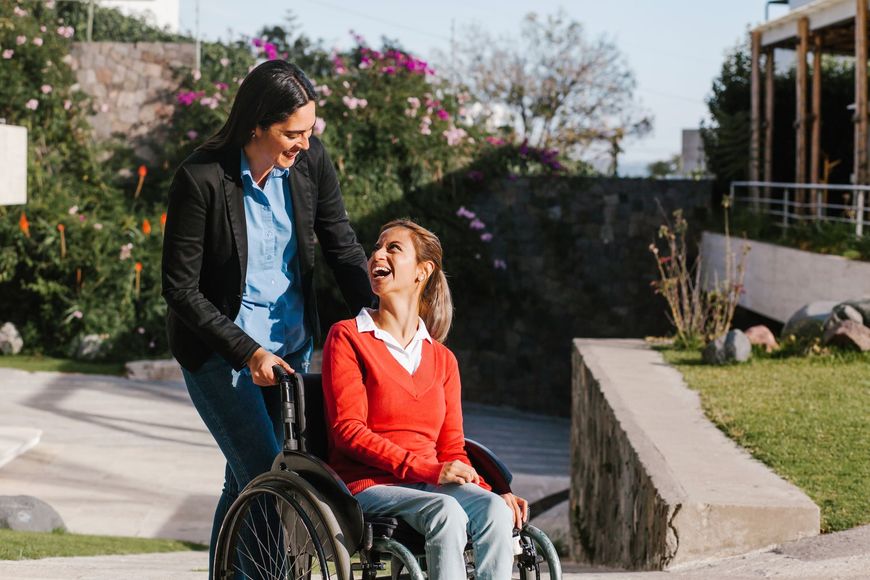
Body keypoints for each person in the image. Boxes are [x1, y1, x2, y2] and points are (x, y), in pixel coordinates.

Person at [161, 60, 375, 571]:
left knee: (245, 480)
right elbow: (180, 290)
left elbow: (343, 249)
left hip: (291, 351)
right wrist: (246, 350)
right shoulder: (202, 178)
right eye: (292, 133)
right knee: (268, 474)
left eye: (308, 131)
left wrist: (377, 325)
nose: (303, 143)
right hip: (220, 354)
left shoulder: (310, 164)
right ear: (257, 124)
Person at [322, 219, 528, 580]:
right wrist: (429, 471)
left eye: (392, 248)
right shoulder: (348, 337)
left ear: (423, 271)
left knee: (495, 510)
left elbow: (451, 448)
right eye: (376, 247)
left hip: (430, 484)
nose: (376, 255)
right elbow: (348, 432)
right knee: (445, 511)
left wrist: (493, 491)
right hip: (370, 486)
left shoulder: (443, 359)